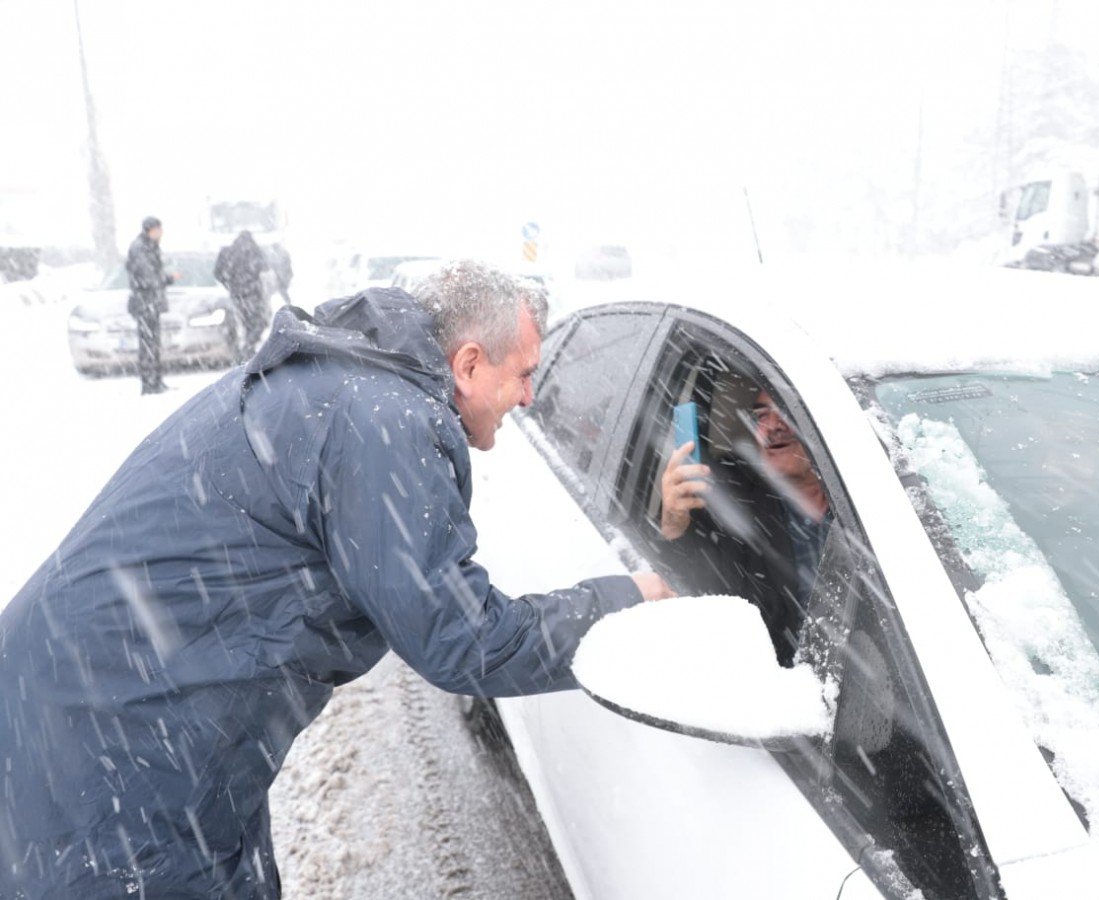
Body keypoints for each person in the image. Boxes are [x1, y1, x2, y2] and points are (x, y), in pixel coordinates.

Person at [0, 260, 672, 898]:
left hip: (103, 704)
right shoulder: (384, 419)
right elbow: (461, 638)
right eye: (524, 373)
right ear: (468, 363)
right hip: (114, 744)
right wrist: (620, 605)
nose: (530, 395)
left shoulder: (346, 378)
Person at [654, 388, 832, 666]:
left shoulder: (870, 496)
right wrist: (674, 525)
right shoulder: (732, 507)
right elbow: (692, 598)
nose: (772, 426)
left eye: (785, 411)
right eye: (761, 415)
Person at [125, 215, 175, 394]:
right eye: (158, 230)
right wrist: (167, 279)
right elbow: (148, 277)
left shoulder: (149, 247)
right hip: (145, 303)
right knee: (148, 344)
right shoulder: (140, 249)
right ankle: (149, 383)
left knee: (153, 343)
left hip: (150, 302)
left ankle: (156, 380)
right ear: (149, 230)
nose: (161, 234)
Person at [215, 229, 272, 359]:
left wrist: (229, 284)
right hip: (253, 294)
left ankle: (245, 349)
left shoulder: (227, 253)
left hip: (237, 295)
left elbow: (218, 273)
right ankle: (248, 346)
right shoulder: (254, 251)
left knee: (244, 323)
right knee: (259, 322)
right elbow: (265, 267)